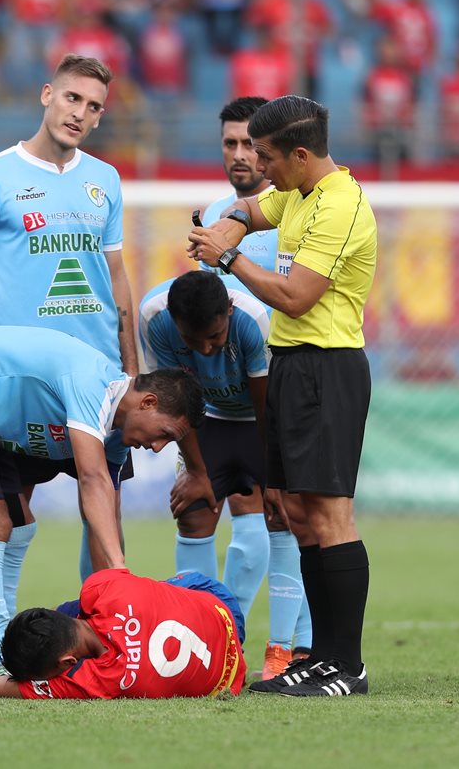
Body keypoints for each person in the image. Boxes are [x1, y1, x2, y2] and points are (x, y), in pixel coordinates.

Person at [187, 95, 377, 697]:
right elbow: (252, 205)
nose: (258, 166)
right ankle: (319, 657)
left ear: (299, 154)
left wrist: (230, 256)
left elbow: (295, 297)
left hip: (329, 367)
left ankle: (347, 666)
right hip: (293, 365)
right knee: (296, 514)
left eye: (266, 155)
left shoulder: (340, 205)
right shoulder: (295, 191)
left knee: (330, 516)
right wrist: (233, 221)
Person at [0, 54, 138, 607]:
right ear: (47, 95)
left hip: (97, 375)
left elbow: (116, 276)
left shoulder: (105, 180)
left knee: (104, 512)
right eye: (73, 98)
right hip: (23, 382)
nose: (80, 113)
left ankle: (107, 630)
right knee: (9, 516)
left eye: (93, 107)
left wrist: (132, 367)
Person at [0, 325, 205, 678]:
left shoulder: (119, 431)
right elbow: (92, 480)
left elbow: (102, 513)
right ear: (148, 403)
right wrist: (121, 572)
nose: (156, 448)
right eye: (164, 435)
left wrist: (111, 601)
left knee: (19, 526)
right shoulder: (92, 385)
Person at [140, 271, 313, 681]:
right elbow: (175, 401)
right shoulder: (153, 317)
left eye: (215, 338)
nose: (205, 349)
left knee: (281, 516)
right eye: (192, 341)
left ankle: (280, 651)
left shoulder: (253, 320)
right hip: (207, 420)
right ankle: (202, 640)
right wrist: (197, 473)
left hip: (260, 419)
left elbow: (266, 405)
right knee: (195, 509)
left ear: (229, 312)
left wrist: (274, 479)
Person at [194, 100, 315, 679]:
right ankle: (224, 642)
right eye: (230, 145)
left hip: (295, 382)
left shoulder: (308, 205)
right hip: (233, 397)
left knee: (304, 515)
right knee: (236, 518)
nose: (241, 156)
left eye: (251, 145)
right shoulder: (218, 214)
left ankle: (301, 646)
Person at [0, 568, 246, 699]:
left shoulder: (95, 681)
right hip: (224, 612)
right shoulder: (103, 587)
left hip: (229, 676)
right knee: (170, 583)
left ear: (67, 663)